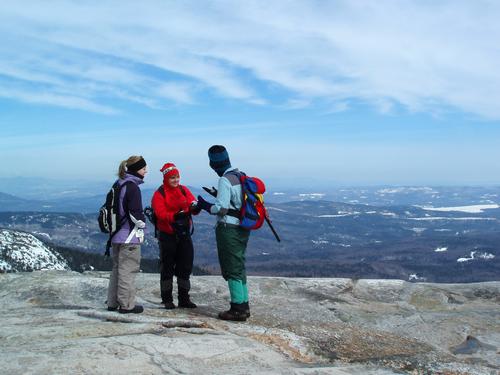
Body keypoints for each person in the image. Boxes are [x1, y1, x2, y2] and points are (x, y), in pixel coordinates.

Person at [197, 145, 250, 322]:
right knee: (239, 264)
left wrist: (205, 205)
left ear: (213, 164)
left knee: (231, 267)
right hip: (243, 227)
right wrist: (217, 193)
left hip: (229, 229)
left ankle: (237, 309)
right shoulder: (240, 175)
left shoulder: (225, 180)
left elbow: (221, 208)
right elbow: (238, 201)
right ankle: (244, 304)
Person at [151, 163, 200, 310]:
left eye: (177, 177)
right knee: (167, 267)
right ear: (166, 178)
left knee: (185, 266)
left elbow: (193, 206)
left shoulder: (184, 190)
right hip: (167, 235)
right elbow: (160, 213)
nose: (176, 180)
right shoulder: (159, 194)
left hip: (184, 234)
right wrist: (175, 216)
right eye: (172, 177)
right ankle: (167, 299)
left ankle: (184, 299)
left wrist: (195, 207)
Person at [106, 155, 147, 314]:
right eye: (144, 169)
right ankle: (126, 305)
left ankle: (112, 302)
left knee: (117, 269)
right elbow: (135, 213)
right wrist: (143, 223)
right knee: (128, 270)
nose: (146, 171)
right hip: (129, 236)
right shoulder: (132, 187)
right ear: (137, 170)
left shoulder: (118, 184)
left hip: (115, 234)